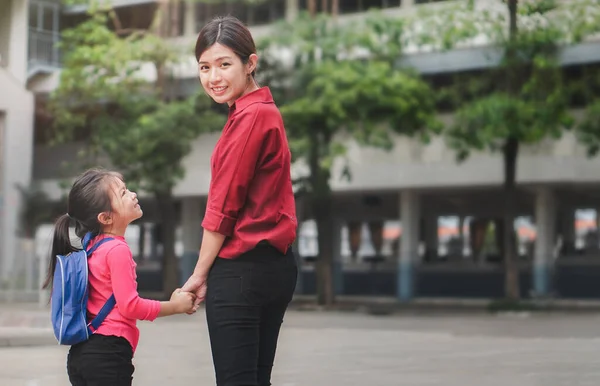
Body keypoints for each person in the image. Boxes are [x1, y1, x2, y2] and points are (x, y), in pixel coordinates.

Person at [181, 15, 298, 386]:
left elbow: (222, 210)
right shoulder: (261, 113)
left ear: (251, 63)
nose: (213, 77)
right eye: (204, 66)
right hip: (274, 266)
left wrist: (199, 275)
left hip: (243, 271)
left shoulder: (251, 118)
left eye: (224, 64)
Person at [43, 168, 196, 386]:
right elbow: (130, 306)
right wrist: (175, 306)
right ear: (105, 217)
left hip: (82, 353)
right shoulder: (117, 250)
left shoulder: (93, 247)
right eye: (123, 193)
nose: (133, 194)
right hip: (108, 354)